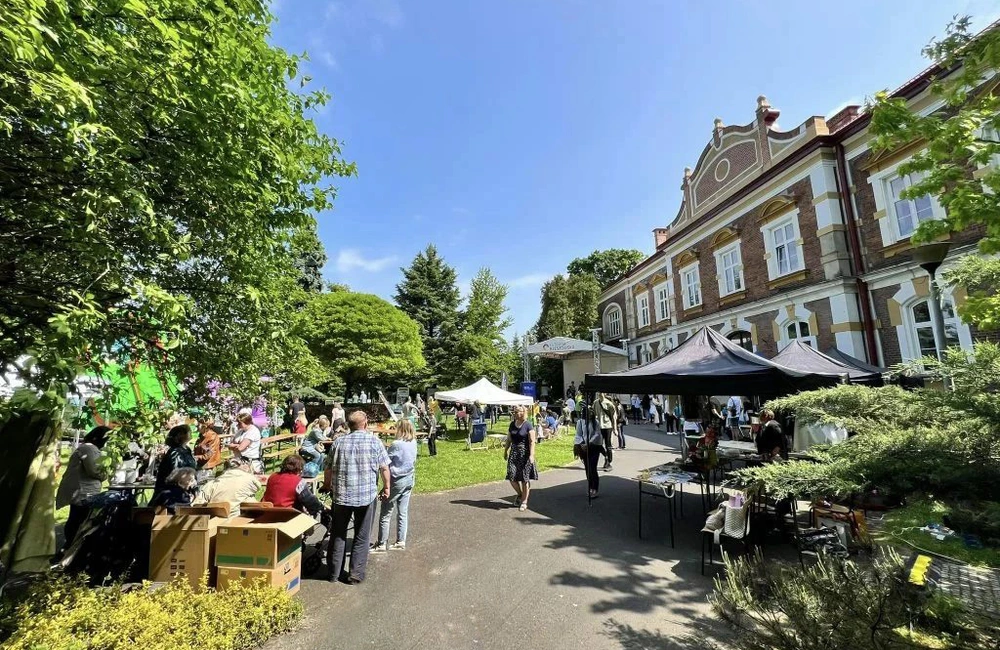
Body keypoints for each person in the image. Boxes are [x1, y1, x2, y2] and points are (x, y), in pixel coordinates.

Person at [323, 410, 391, 584]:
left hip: (341, 496)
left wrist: (327, 484)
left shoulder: (338, 442)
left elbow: (328, 468)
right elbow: (384, 468)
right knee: (362, 535)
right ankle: (355, 575)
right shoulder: (374, 441)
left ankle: (333, 574)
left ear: (348, 425)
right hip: (365, 497)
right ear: (366, 423)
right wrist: (387, 487)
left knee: (338, 534)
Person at [56, 426, 112, 553]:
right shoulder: (89, 448)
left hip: (84, 489)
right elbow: (94, 470)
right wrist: (105, 474)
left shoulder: (90, 448)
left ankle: (71, 546)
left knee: (77, 517)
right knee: (79, 519)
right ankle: (71, 546)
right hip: (83, 491)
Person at [373, 419, 417, 552]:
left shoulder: (396, 444)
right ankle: (400, 541)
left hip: (397, 480)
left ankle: (381, 543)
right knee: (402, 512)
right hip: (409, 477)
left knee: (386, 512)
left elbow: (384, 460)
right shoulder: (413, 442)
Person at [197, 458, 262, 517]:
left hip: (213, 518)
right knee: (250, 500)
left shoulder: (212, 483)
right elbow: (258, 486)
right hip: (237, 518)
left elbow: (198, 503)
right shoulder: (249, 478)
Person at [504, 405, 538, 511]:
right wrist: (505, 451)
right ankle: (520, 494)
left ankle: (524, 501)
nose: (516, 413)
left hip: (525, 453)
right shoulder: (512, 424)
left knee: (524, 478)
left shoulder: (528, 425)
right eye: (515, 412)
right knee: (512, 476)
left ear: (523, 412)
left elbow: (532, 442)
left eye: (518, 412)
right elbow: (509, 439)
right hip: (514, 453)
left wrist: (532, 455)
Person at [154, 424, 197, 498]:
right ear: (181, 435)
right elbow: (176, 474)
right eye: (188, 431)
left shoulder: (186, 450)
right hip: (173, 492)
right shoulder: (175, 452)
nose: (191, 433)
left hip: (186, 488)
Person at [574, 410, 604, 499]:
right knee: (587, 469)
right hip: (584, 447)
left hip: (594, 446)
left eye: (591, 414)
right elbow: (578, 435)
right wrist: (581, 443)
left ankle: (595, 488)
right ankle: (590, 486)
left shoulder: (596, 422)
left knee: (592, 468)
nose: (590, 416)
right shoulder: (580, 422)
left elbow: (597, 434)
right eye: (588, 415)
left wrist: (589, 442)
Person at [592, 392, 617, 471]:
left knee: (608, 445)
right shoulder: (595, 403)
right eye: (599, 392)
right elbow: (593, 414)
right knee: (597, 444)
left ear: (605, 394)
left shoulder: (609, 404)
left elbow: (613, 417)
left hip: (607, 426)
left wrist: (615, 429)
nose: (600, 394)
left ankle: (609, 462)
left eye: (601, 392)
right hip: (599, 426)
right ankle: (606, 456)